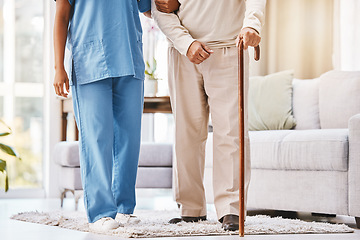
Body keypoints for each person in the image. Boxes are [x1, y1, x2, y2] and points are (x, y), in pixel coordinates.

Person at [152, 0, 266, 231]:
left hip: (229, 47)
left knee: (231, 132)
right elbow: (159, 7)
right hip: (182, 51)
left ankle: (231, 209)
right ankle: (191, 208)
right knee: (186, 134)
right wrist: (186, 43)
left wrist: (252, 25)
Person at [53, 0, 151, 232]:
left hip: (129, 56)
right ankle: (99, 214)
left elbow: (150, 8)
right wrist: (58, 67)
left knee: (129, 140)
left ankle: (124, 208)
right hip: (90, 61)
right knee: (97, 139)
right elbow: (61, 16)